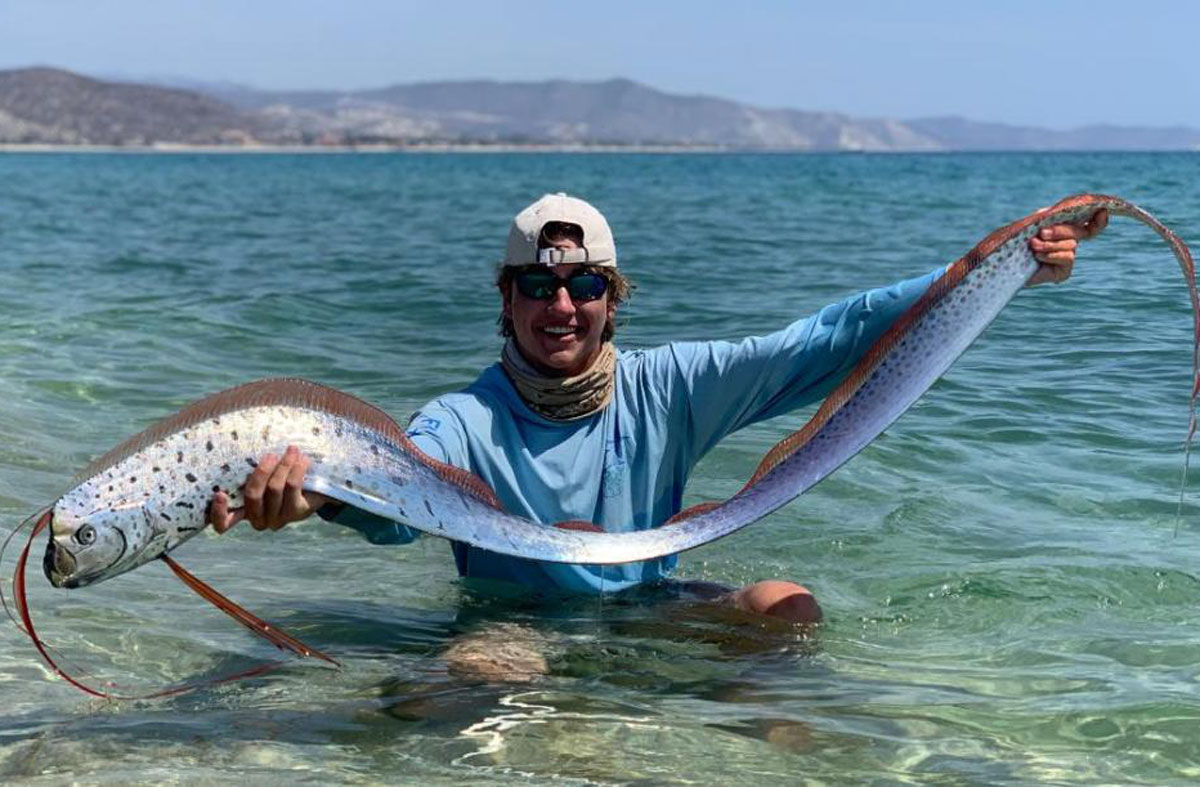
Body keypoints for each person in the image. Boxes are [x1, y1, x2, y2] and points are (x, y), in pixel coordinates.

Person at [208, 193, 1107, 626]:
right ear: (508, 298)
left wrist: (991, 266)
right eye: (539, 285)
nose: (562, 307)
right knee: (471, 683)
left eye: (585, 284)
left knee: (787, 609)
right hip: (516, 628)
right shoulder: (464, 419)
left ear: (613, 294)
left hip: (648, 605)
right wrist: (314, 494)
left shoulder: (668, 385)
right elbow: (398, 490)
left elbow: (826, 341)